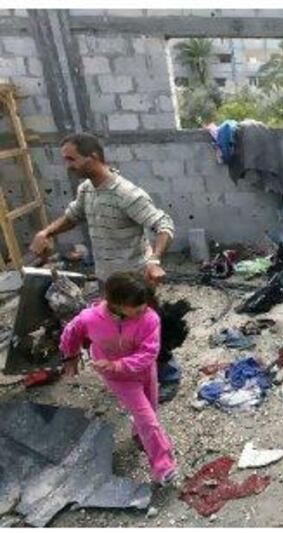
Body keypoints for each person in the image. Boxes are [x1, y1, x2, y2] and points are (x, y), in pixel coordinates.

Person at [28, 132, 180, 397]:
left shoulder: (126, 193)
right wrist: (46, 232)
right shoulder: (87, 189)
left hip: (135, 282)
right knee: (119, 331)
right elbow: (72, 216)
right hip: (106, 280)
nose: (68, 165)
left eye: (71, 159)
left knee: (148, 332)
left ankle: (168, 375)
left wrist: (154, 260)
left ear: (93, 156)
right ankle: (133, 374)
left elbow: (163, 224)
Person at [60, 271, 178, 486]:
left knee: (150, 409)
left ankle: (139, 434)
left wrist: (119, 363)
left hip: (144, 371)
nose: (143, 308)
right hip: (117, 378)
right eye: (137, 305)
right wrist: (70, 355)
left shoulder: (150, 318)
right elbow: (72, 331)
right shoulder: (90, 318)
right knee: (148, 419)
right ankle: (164, 467)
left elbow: (149, 353)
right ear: (116, 303)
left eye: (144, 302)